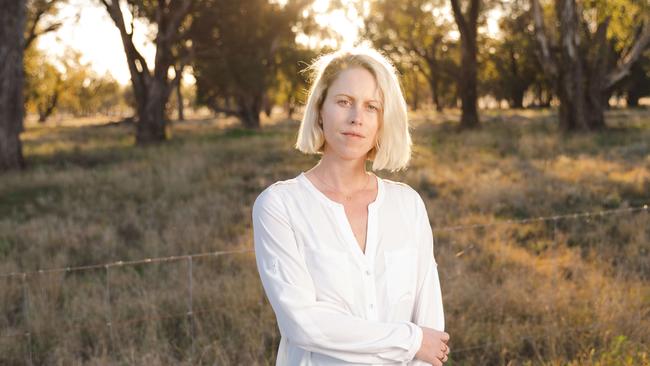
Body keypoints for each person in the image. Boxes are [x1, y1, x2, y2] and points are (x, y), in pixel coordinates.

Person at [252, 45, 449, 365]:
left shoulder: (408, 205)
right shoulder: (279, 206)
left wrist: (420, 344)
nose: (356, 118)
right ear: (319, 109)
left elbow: (430, 327)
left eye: (372, 107)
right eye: (344, 102)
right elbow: (303, 324)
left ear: (384, 121)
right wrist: (410, 341)